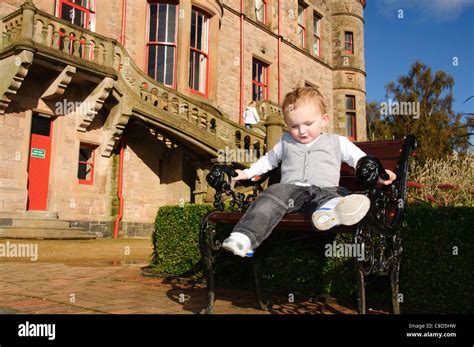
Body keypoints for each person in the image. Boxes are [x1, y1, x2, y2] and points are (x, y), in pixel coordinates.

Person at [222, 87, 396, 257]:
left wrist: (380, 175)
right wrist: (246, 173)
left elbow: (360, 160)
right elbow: (268, 161)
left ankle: (332, 210)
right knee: (271, 195)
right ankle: (243, 238)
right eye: (294, 126)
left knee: (335, 196)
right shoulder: (285, 142)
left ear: (324, 120)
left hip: (326, 191)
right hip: (290, 193)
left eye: (308, 124)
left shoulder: (337, 141)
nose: (302, 131)